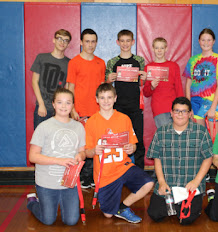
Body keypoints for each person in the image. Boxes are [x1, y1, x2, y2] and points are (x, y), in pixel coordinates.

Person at [84, 83, 154, 224]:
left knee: (148, 183)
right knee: (108, 215)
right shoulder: (91, 122)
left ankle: (123, 207)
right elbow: (87, 153)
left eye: (109, 97)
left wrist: (131, 148)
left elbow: (133, 145)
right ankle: (111, 205)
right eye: (102, 98)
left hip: (123, 167)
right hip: (105, 174)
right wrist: (94, 151)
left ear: (115, 98)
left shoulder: (124, 119)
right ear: (97, 99)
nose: (106, 101)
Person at [147, 97, 213, 225]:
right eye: (177, 111)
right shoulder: (161, 132)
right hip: (168, 186)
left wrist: (196, 181)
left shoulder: (201, 132)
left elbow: (208, 158)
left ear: (190, 114)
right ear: (171, 113)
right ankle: (176, 205)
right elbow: (157, 158)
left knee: (186, 220)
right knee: (154, 214)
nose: (180, 114)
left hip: (190, 187)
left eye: (184, 111)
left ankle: (210, 200)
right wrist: (161, 182)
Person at [27, 88, 86, 225]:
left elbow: (82, 152)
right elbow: (33, 157)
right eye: (60, 102)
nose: (64, 106)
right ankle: (32, 203)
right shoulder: (43, 126)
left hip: (69, 183)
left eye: (68, 103)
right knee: (48, 220)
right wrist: (59, 161)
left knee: (71, 221)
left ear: (72, 105)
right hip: (46, 183)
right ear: (53, 104)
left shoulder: (79, 127)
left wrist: (80, 156)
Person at [67, 28, 106, 188]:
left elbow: (103, 89)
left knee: (94, 145)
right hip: (80, 112)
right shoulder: (74, 62)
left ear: (96, 43)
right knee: (80, 146)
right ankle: (81, 177)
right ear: (81, 42)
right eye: (87, 41)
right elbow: (70, 87)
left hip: (97, 113)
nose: (90, 45)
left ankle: (90, 176)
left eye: (93, 41)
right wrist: (72, 108)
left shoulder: (101, 62)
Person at [106, 29, 147, 169]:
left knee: (138, 140)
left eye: (128, 40)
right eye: (122, 41)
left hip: (135, 107)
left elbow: (141, 83)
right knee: (118, 140)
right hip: (118, 107)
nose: (125, 44)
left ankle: (140, 171)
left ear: (133, 42)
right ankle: (119, 169)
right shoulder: (112, 62)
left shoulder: (139, 60)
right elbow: (107, 86)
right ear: (118, 42)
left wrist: (145, 78)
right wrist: (108, 80)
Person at [183, 28, 218, 138]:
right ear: (199, 41)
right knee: (199, 138)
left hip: (211, 102)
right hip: (195, 103)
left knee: (214, 138)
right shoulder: (193, 60)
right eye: (203, 40)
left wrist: (213, 107)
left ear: (213, 41)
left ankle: (215, 156)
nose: (206, 43)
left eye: (209, 40)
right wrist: (189, 107)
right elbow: (188, 84)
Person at [31, 29, 72, 129]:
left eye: (66, 40)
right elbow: (34, 81)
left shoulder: (69, 63)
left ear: (68, 44)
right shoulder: (41, 58)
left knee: (57, 140)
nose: (62, 42)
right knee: (40, 141)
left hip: (59, 109)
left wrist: (65, 108)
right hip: (42, 107)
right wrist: (41, 104)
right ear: (54, 40)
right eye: (59, 39)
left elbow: (67, 87)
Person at [143, 37, 184, 128]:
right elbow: (146, 93)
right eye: (157, 48)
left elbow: (179, 87)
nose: (159, 50)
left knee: (178, 136)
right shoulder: (149, 67)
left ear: (166, 49)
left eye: (162, 48)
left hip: (175, 107)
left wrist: (182, 106)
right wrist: (152, 87)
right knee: (166, 137)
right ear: (153, 49)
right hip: (159, 108)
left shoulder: (173, 66)